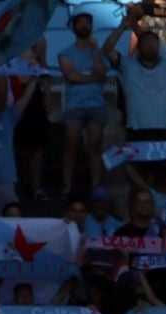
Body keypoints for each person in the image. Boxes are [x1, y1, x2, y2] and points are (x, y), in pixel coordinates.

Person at [104, 6, 166, 142]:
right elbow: (107, 50)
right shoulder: (127, 65)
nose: (151, 47)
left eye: (154, 44)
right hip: (136, 130)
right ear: (139, 48)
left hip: (163, 130)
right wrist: (122, 27)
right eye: (147, 44)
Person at [58, 12, 109, 198]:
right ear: (74, 27)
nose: (84, 25)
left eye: (87, 22)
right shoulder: (65, 53)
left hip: (96, 103)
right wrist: (93, 78)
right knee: (71, 146)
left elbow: (102, 74)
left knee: (95, 147)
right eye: (80, 22)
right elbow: (71, 76)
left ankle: (96, 185)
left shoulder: (97, 51)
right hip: (75, 104)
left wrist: (96, 51)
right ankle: (67, 185)